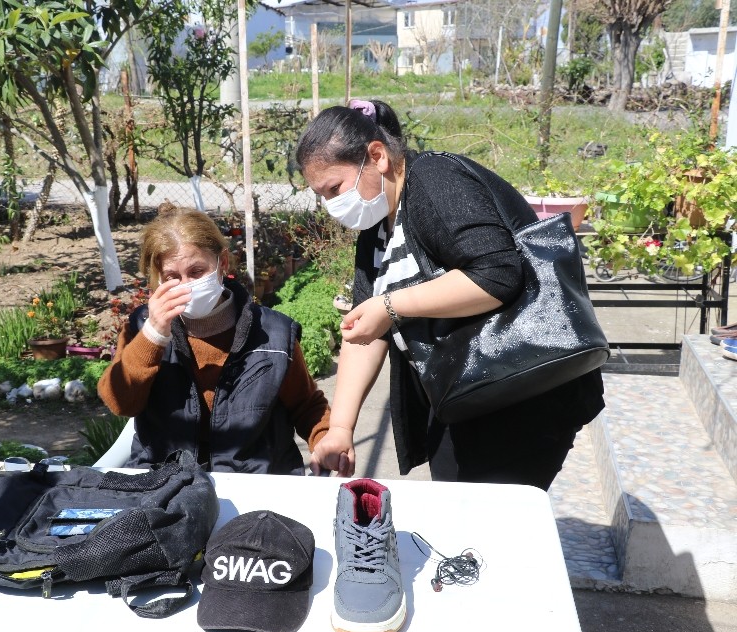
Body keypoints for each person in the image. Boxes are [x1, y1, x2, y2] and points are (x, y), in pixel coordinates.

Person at [295, 99, 605, 490]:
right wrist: (340, 428)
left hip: (524, 392)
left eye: (334, 188)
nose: (331, 205)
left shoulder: (434, 180)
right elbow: (364, 328)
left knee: (483, 529)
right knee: (460, 514)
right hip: (467, 392)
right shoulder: (375, 229)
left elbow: (497, 274)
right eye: (321, 195)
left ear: (377, 157)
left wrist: (390, 306)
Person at [98, 204, 339, 475]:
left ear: (222, 263)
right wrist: (154, 334)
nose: (186, 285)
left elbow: (306, 405)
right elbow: (120, 402)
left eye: (197, 271)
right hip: (166, 482)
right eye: (172, 277)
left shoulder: (273, 332)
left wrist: (325, 439)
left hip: (255, 481)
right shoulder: (143, 327)